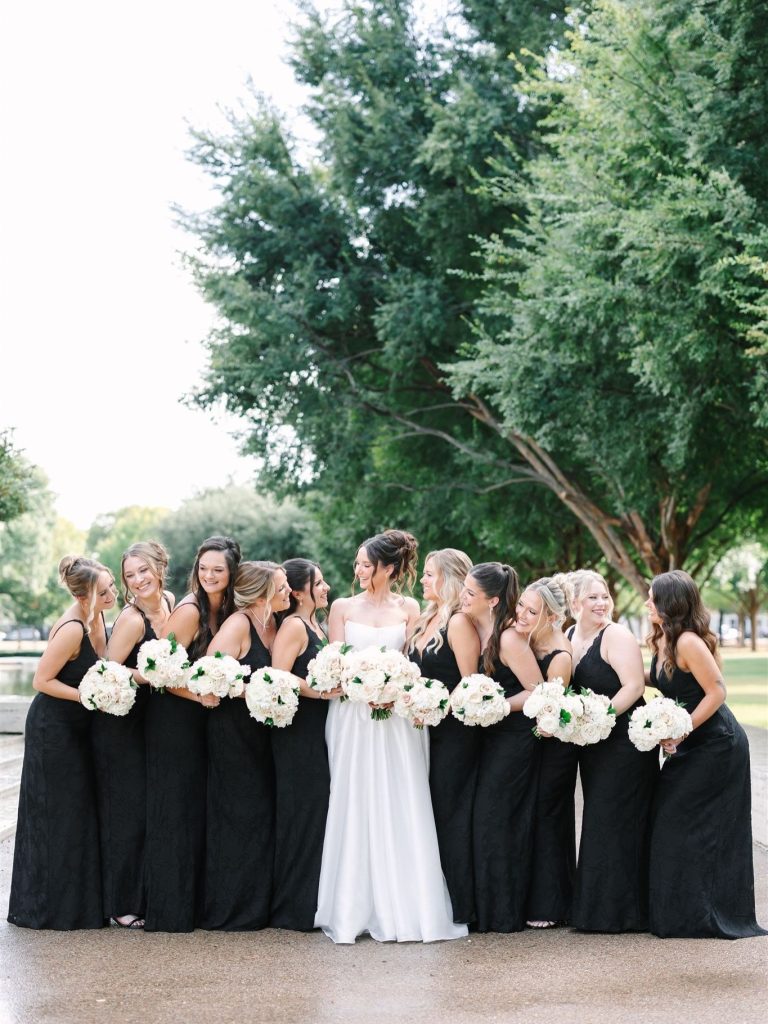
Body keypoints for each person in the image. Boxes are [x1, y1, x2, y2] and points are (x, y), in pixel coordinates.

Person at [314, 529, 467, 944]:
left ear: (388, 568)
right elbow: (335, 663)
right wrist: (361, 687)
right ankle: (351, 907)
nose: (359, 570)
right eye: (358, 563)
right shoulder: (343, 607)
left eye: (366, 564)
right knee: (354, 796)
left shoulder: (410, 607)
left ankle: (407, 904)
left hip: (398, 718)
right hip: (352, 716)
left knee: (402, 796)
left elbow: (412, 664)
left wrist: (394, 689)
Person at [645, 570, 766, 939]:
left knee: (701, 826)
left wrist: (681, 729)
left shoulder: (688, 642)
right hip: (692, 745)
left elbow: (717, 691)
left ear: (670, 604)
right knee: (672, 821)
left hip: (717, 745)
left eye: (652, 597)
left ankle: (709, 914)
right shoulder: (662, 639)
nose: (647, 602)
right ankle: (684, 913)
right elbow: (661, 682)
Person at [8, 556, 116, 929]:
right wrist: (87, 697)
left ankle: (80, 904)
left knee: (77, 813)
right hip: (53, 729)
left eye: (112, 587)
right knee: (57, 814)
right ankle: (48, 908)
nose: (112, 595)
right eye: (103, 591)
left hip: (79, 728)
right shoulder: (71, 628)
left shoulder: (97, 618)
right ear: (82, 595)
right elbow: (41, 681)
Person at [144, 536, 241, 932]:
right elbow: (158, 671)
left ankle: (198, 902)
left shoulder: (229, 609)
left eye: (218, 569)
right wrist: (198, 695)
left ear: (232, 572)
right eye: (203, 568)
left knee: (199, 810)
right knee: (177, 810)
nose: (209, 575)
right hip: (174, 718)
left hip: (205, 718)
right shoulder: (188, 611)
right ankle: (170, 911)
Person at [563, 569, 657, 933]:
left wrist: (599, 718)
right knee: (599, 820)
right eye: (593, 597)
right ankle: (599, 909)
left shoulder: (616, 635)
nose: (601, 603)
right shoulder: (569, 636)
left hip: (625, 744)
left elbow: (633, 687)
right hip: (592, 746)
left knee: (616, 820)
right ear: (575, 603)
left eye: (604, 596)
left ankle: (625, 913)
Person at [202, 560, 290, 930]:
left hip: (265, 735)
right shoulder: (239, 624)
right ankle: (230, 908)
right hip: (233, 733)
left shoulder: (276, 623)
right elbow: (207, 676)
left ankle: (258, 905)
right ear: (262, 594)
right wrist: (250, 690)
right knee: (238, 814)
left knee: (262, 815)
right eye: (282, 587)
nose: (288, 591)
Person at [459, 562, 543, 932]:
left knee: (496, 819)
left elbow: (538, 692)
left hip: (514, 738)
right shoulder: (474, 628)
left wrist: (496, 706)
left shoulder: (508, 638)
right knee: (484, 819)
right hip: (489, 738)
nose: (463, 596)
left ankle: (503, 913)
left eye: (470, 593)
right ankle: (485, 908)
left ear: (492, 600)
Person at [95, 541, 174, 929]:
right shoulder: (131, 619)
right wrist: (149, 675)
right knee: (128, 812)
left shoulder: (171, 603)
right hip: (124, 724)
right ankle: (121, 902)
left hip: (155, 723)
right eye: (129, 575)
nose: (138, 580)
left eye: (143, 570)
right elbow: (107, 671)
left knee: (149, 810)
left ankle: (146, 891)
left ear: (160, 568)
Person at [408, 548, 480, 925]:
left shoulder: (459, 622)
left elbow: (470, 684)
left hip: (453, 734)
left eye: (429, 573)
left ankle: (460, 904)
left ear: (449, 579)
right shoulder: (425, 619)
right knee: (427, 813)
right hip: (420, 733)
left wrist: (436, 706)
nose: (422, 579)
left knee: (450, 813)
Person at [270, 558, 334, 930]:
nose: (325, 588)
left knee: (316, 813)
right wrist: (319, 691)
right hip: (298, 731)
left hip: (319, 728)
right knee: (302, 813)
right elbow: (279, 677)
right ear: (298, 592)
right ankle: (293, 907)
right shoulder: (294, 626)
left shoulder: (316, 624)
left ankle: (312, 900)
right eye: (318, 583)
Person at [514, 576, 576, 929]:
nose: (521, 614)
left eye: (531, 611)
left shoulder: (560, 656)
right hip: (530, 741)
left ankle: (550, 904)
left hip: (554, 746)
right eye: (521, 605)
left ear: (551, 617)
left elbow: (551, 709)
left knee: (549, 817)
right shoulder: (526, 639)